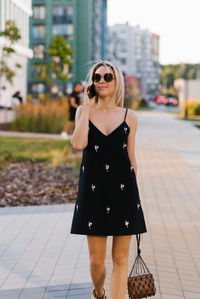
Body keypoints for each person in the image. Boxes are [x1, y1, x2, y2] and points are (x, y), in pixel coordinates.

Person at [70, 61, 147, 299]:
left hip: (123, 192)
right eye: (97, 77)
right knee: (96, 262)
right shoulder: (83, 112)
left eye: (107, 76)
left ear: (117, 82)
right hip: (92, 192)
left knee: (120, 258)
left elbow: (131, 157)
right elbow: (78, 144)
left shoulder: (129, 117)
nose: (101, 80)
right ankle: (98, 290)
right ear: (92, 83)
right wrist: (86, 107)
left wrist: (136, 197)